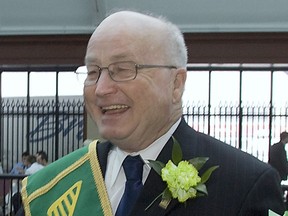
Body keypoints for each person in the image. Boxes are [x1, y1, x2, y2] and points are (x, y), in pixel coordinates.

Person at [21, 10, 285, 216]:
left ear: (176, 84)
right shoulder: (52, 188)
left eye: (123, 69)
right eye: (92, 72)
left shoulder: (244, 184)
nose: (100, 88)